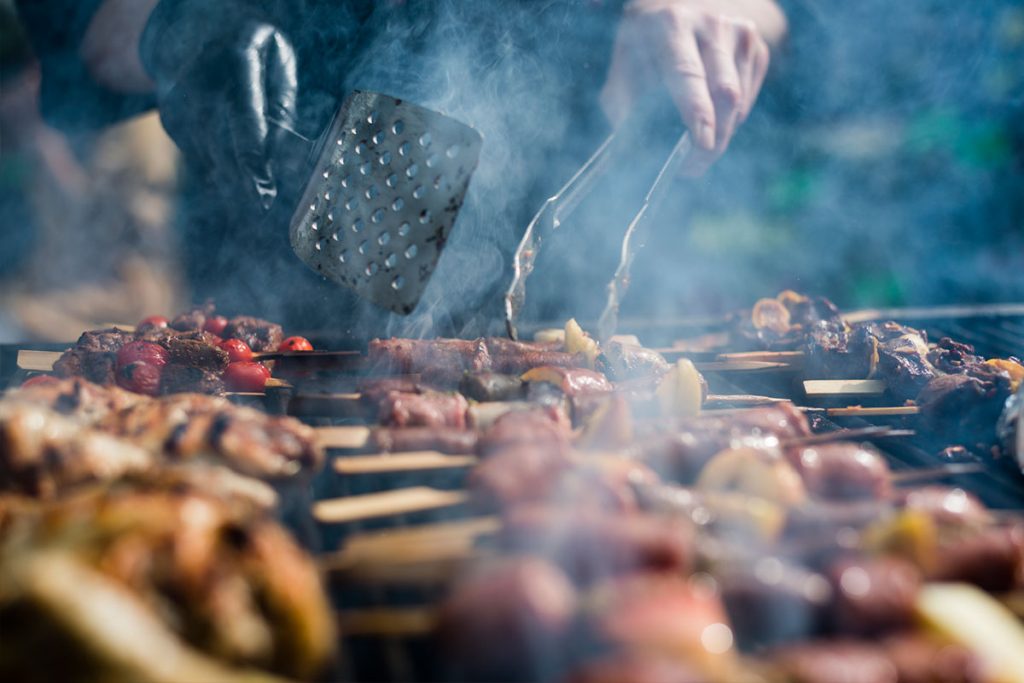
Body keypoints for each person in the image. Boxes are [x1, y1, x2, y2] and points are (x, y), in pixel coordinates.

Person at [14, 0, 786, 334]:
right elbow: (85, 23)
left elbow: (794, 17)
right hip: (276, 326)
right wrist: (183, 29)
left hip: (580, 310)